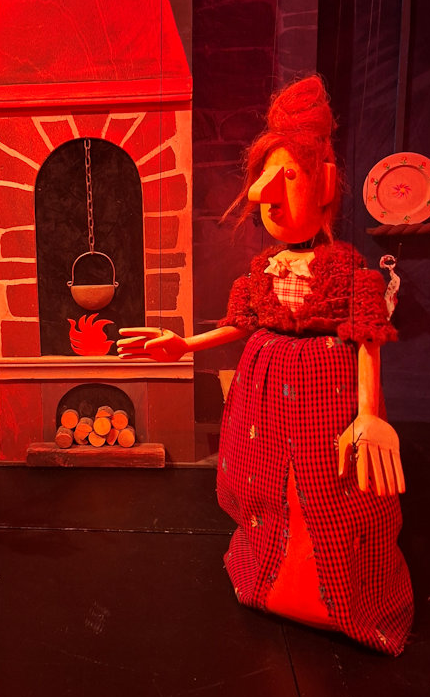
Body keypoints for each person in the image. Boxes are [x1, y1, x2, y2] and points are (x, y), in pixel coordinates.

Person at [118, 76, 413, 654]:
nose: (269, 199)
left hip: (328, 395)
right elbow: (243, 324)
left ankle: (341, 599)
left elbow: (366, 340)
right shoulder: (262, 271)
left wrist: (369, 413)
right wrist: (184, 345)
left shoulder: (350, 273)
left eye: (290, 179)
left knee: (333, 489)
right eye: (265, 183)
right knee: (265, 482)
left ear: (325, 183)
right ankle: (269, 579)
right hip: (265, 396)